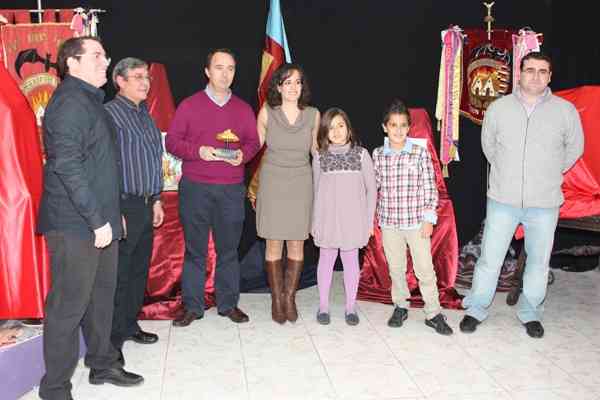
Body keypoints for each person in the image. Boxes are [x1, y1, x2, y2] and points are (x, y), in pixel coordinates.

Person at [37, 36, 143, 400]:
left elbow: (101, 166)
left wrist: (112, 216)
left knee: (101, 298)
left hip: (100, 220)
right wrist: (97, 220)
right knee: (68, 307)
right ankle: (54, 388)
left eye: (105, 55)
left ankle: (102, 364)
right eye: (96, 55)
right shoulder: (69, 103)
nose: (105, 61)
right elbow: (68, 168)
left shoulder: (90, 100)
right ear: (72, 63)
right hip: (75, 223)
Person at [460, 52, 584, 338]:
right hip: (503, 199)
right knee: (489, 259)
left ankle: (531, 313)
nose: (536, 76)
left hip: (544, 202)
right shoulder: (498, 108)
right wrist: (507, 173)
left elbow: (575, 148)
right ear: (520, 73)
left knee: (538, 263)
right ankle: (476, 309)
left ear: (550, 76)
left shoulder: (565, 111)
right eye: (530, 70)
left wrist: (551, 171)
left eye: (542, 71)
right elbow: (489, 146)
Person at [166, 48, 260, 327]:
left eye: (230, 68)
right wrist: (198, 151)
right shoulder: (189, 105)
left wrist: (244, 155)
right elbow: (172, 142)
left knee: (228, 250)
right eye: (219, 68)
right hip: (196, 188)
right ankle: (193, 306)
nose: (225, 74)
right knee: (195, 250)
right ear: (207, 71)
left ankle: (228, 304)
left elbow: (253, 143)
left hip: (230, 190)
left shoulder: (243, 109)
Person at [373, 99, 453, 335]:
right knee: (396, 268)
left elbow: (430, 187)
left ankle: (433, 312)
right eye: (393, 125)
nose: (398, 130)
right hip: (390, 222)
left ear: (409, 127)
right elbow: (373, 187)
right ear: (385, 127)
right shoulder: (378, 155)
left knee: (424, 269)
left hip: (416, 223)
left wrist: (428, 219)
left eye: (403, 125)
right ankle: (400, 305)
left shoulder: (419, 153)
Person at [104, 57, 164, 361]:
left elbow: (153, 159)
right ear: (120, 81)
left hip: (145, 203)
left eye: (147, 77)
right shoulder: (109, 115)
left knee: (139, 271)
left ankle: (129, 325)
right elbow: (106, 168)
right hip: (123, 204)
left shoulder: (144, 114)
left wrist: (157, 199)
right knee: (120, 275)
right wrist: (115, 210)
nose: (145, 82)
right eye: (137, 77)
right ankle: (111, 342)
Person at [255, 64, 320, 323]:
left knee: (296, 242)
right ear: (278, 87)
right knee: (273, 243)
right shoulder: (267, 112)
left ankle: (289, 298)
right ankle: (277, 299)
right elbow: (252, 146)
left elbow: (317, 151)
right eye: (288, 82)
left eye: (298, 82)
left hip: (301, 183)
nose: (293, 87)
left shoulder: (313, 115)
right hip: (273, 182)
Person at [312, 108, 376, 326]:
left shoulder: (361, 155)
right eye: (331, 127)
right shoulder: (319, 157)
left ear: (348, 129)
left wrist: (368, 222)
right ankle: (323, 306)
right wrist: (314, 222)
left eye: (340, 125)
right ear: (325, 132)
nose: (336, 131)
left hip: (353, 221)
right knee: (326, 260)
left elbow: (372, 190)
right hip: (328, 220)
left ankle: (350, 307)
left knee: (350, 262)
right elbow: (315, 191)